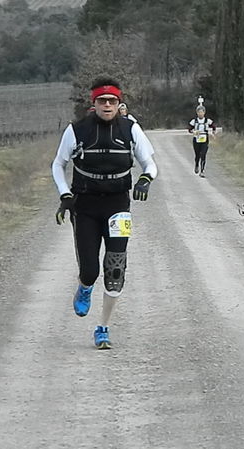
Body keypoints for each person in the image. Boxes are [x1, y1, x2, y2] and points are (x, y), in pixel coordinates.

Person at [51, 77, 158, 350]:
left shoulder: (131, 129)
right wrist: (65, 195)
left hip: (117, 206)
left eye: (112, 101)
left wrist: (146, 178)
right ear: (94, 103)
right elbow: (58, 164)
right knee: (90, 270)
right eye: (102, 101)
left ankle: (103, 328)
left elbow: (149, 162)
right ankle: (85, 286)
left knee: (115, 269)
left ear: (119, 103)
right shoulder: (77, 130)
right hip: (85, 206)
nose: (107, 105)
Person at [187, 105, 217, 177]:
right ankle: (197, 165)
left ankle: (202, 171)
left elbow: (214, 126)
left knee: (203, 155)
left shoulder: (207, 121)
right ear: (197, 113)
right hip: (196, 140)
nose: (200, 113)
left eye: (202, 112)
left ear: (204, 112)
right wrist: (193, 132)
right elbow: (189, 129)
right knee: (197, 155)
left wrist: (213, 133)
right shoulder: (194, 121)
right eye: (199, 112)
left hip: (205, 139)